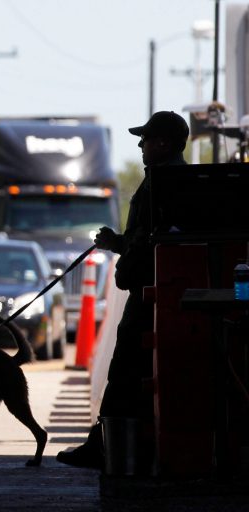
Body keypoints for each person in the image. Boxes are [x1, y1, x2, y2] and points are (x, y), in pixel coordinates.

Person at [56, 111, 189, 469]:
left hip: (148, 294)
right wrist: (118, 242)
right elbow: (147, 237)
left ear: (162, 143)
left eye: (146, 139)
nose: (141, 145)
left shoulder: (162, 183)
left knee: (125, 373)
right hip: (160, 291)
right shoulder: (175, 181)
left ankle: (109, 450)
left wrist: (125, 258)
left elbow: (149, 242)